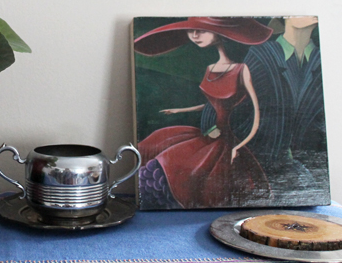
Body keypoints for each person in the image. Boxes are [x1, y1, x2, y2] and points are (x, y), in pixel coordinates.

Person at [134, 17, 273, 209]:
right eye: (190, 30)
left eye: (201, 30)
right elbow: (210, 104)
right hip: (208, 134)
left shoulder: (242, 70)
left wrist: (238, 147)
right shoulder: (210, 69)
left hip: (225, 141)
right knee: (157, 145)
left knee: (195, 176)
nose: (194, 35)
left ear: (221, 34)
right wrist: (180, 110)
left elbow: (257, 113)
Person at [200, 17, 329, 204]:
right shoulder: (263, 54)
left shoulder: (321, 57)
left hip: (306, 165)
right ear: (284, 17)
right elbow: (228, 92)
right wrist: (211, 126)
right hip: (260, 156)